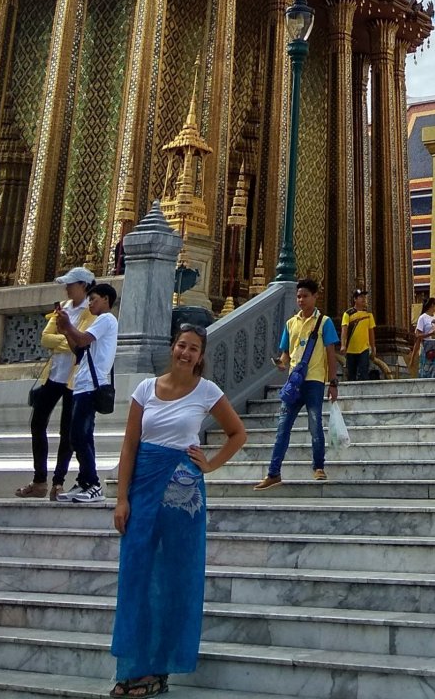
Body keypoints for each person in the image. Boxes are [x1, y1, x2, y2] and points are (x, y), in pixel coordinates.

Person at [110, 325, 248, 697]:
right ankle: (133, 667)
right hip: (142, 485)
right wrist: (121, 499)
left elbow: (238, 433)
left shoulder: (207, 392)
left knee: (176, 577)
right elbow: (128, 448)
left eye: (194, 349)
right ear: (172, 348)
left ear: (201, 356)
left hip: (182, 494)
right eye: (181, 345)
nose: (186, 353)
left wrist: (211, 463)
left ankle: (160, 669)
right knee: (137, 575)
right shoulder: (145, 389)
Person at [16, 265, 93, 500]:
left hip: (74, 378)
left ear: (83, 286)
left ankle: (58, 482)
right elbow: (46, 338)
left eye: (71, 284)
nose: (67, 288)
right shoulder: (64, 307)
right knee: (37, 423)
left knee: (67, 432)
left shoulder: (90, 312)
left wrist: (68, 336)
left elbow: (82, 343)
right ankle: (40, 479)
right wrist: (68, 337)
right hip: (54, 374)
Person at [256, 277, 339, 488]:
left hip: (314, 380)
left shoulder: (324, 323)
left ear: (315, 297)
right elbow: (287, 353)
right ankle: (273, 472)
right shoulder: (290, 323)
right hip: (294, 382)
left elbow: (331, 354)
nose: (301, 300)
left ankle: (318, 466)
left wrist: (333, 382)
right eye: (298, 296)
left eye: (305, 296)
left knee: (315, 425)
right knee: (282, 428)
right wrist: (281, 364)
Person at [54, 280, 119, 503]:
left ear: (106, 300)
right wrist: (64, 330)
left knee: (78, 435)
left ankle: (93, 483)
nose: (90, 303)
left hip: (91, 385)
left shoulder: (106, 319)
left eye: (93, 299)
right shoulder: (99, 322)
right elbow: (79, 348)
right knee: (81, 435)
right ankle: (84, 481)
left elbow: (82, 339)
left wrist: (69, 326)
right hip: (83, 384)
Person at [340, 288, 376, 383]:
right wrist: (343, 345)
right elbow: (344, 330)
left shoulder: (368, 315)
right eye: (360, 297)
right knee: (351, 374)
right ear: (355, 299)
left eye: (364, 297)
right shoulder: (348, 314)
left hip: (364, 348)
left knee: (363, 372)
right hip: (351, 349)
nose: (363, 299)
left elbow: (371, 332)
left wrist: (373, 347)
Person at [411, 296, 435, 377]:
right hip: (427, 345)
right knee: (426, 369)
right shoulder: (423, 318)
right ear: (432, 305)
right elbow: (418, 335)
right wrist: (430, 334)